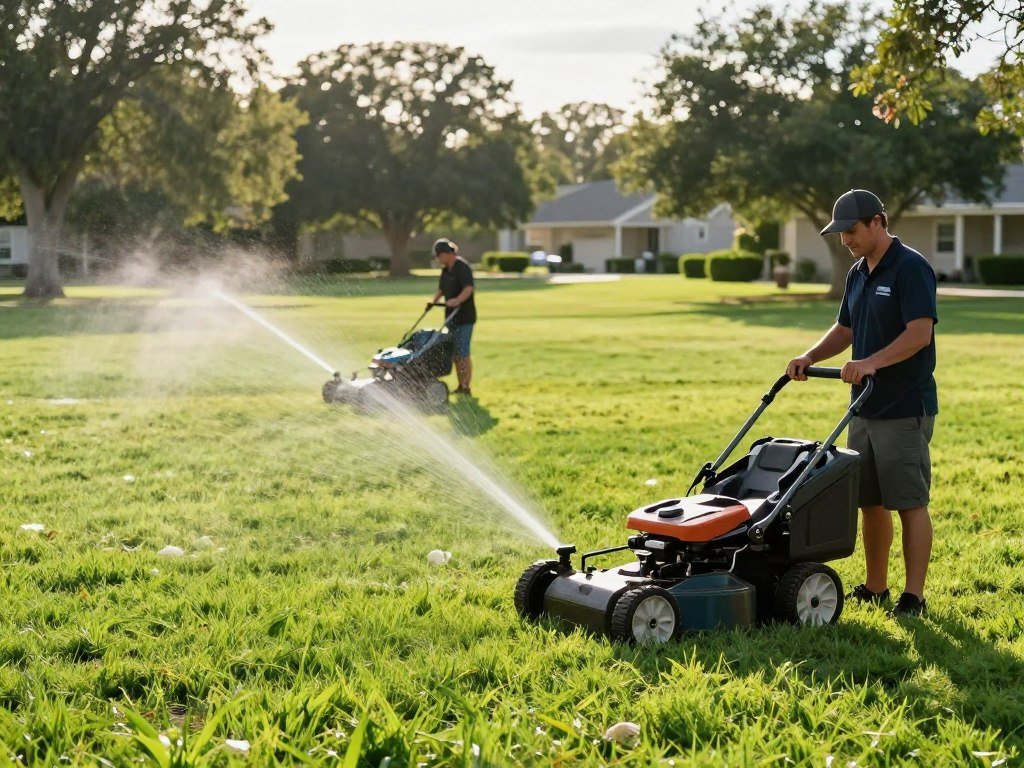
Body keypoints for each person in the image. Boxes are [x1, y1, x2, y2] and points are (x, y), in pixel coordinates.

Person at [786, 189, 937, 618]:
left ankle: (914, 596)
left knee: (908, 502)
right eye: (840, 233)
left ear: (878, 222)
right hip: (864, 407)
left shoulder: (911, 268)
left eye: (851, 230)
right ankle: (876, 586)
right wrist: (810, 357)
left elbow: (918, 334)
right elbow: (844, 329)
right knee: (868, 501)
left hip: (904, 406)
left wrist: (871, 362)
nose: (846, 239)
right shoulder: (857, 273)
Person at [429, 238, 476, 396]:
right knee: (455, 354)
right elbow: (441, 289)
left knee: (463, 353)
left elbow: (468, 288)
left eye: (438, 255)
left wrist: (457, 300)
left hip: (465, 318)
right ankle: (460, 385)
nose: (437, 259)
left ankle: (466, 387)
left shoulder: (462, 267)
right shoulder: (446, 270)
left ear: (446, 254)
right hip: (451, 317)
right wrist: (433, 302)